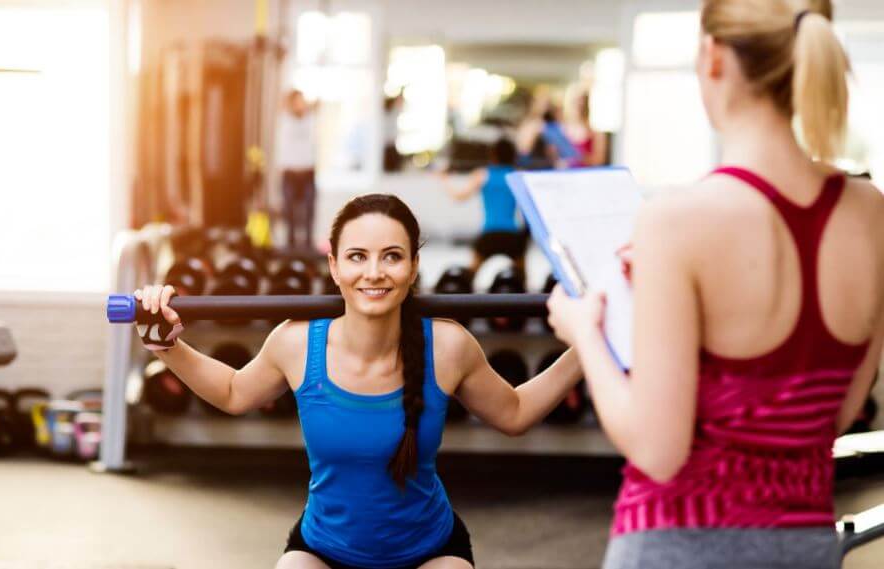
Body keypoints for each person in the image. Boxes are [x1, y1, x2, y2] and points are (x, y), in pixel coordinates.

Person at [546, 1, 884, 568]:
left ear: (713, 56)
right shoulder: (870, 213)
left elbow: (658, 450)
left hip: (676, 545)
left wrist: (586, 331)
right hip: (805, 547)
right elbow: (843, 407)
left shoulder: (677, 218)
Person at [135, 194, 584, 569]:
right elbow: (234, 393)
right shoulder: (296, 343)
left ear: (412, 267)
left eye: (392, 256)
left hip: (429, 553)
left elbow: (516, 413)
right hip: (323, 552)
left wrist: (590, 342)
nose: (374, 272)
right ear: (334, 266)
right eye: (357, 256)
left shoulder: (447, 346)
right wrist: (166, 345)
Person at [439, 137, 528, 273]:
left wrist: (444, 180)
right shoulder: (518, 175)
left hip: (489, 234)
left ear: (493, 155)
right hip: (512, 235)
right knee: (523, 281)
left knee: (470, 276)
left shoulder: (482, 175)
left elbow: (459, 197)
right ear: (513, 156)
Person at [276, 89, 318, 250]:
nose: (300, 104)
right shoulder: (285, 120)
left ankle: (308, 243)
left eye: (302, 101)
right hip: (290, 172)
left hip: (307, 172)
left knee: (309, 209)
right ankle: (291, 242)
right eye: (297, 101)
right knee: (289, 210)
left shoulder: (311, 120)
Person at [564, 91, 607, 168]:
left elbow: (599, 160)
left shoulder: (596, 133)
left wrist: (578, 157)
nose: (579, 106)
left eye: (582, 103)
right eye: (575, 103)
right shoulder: (562, 130)